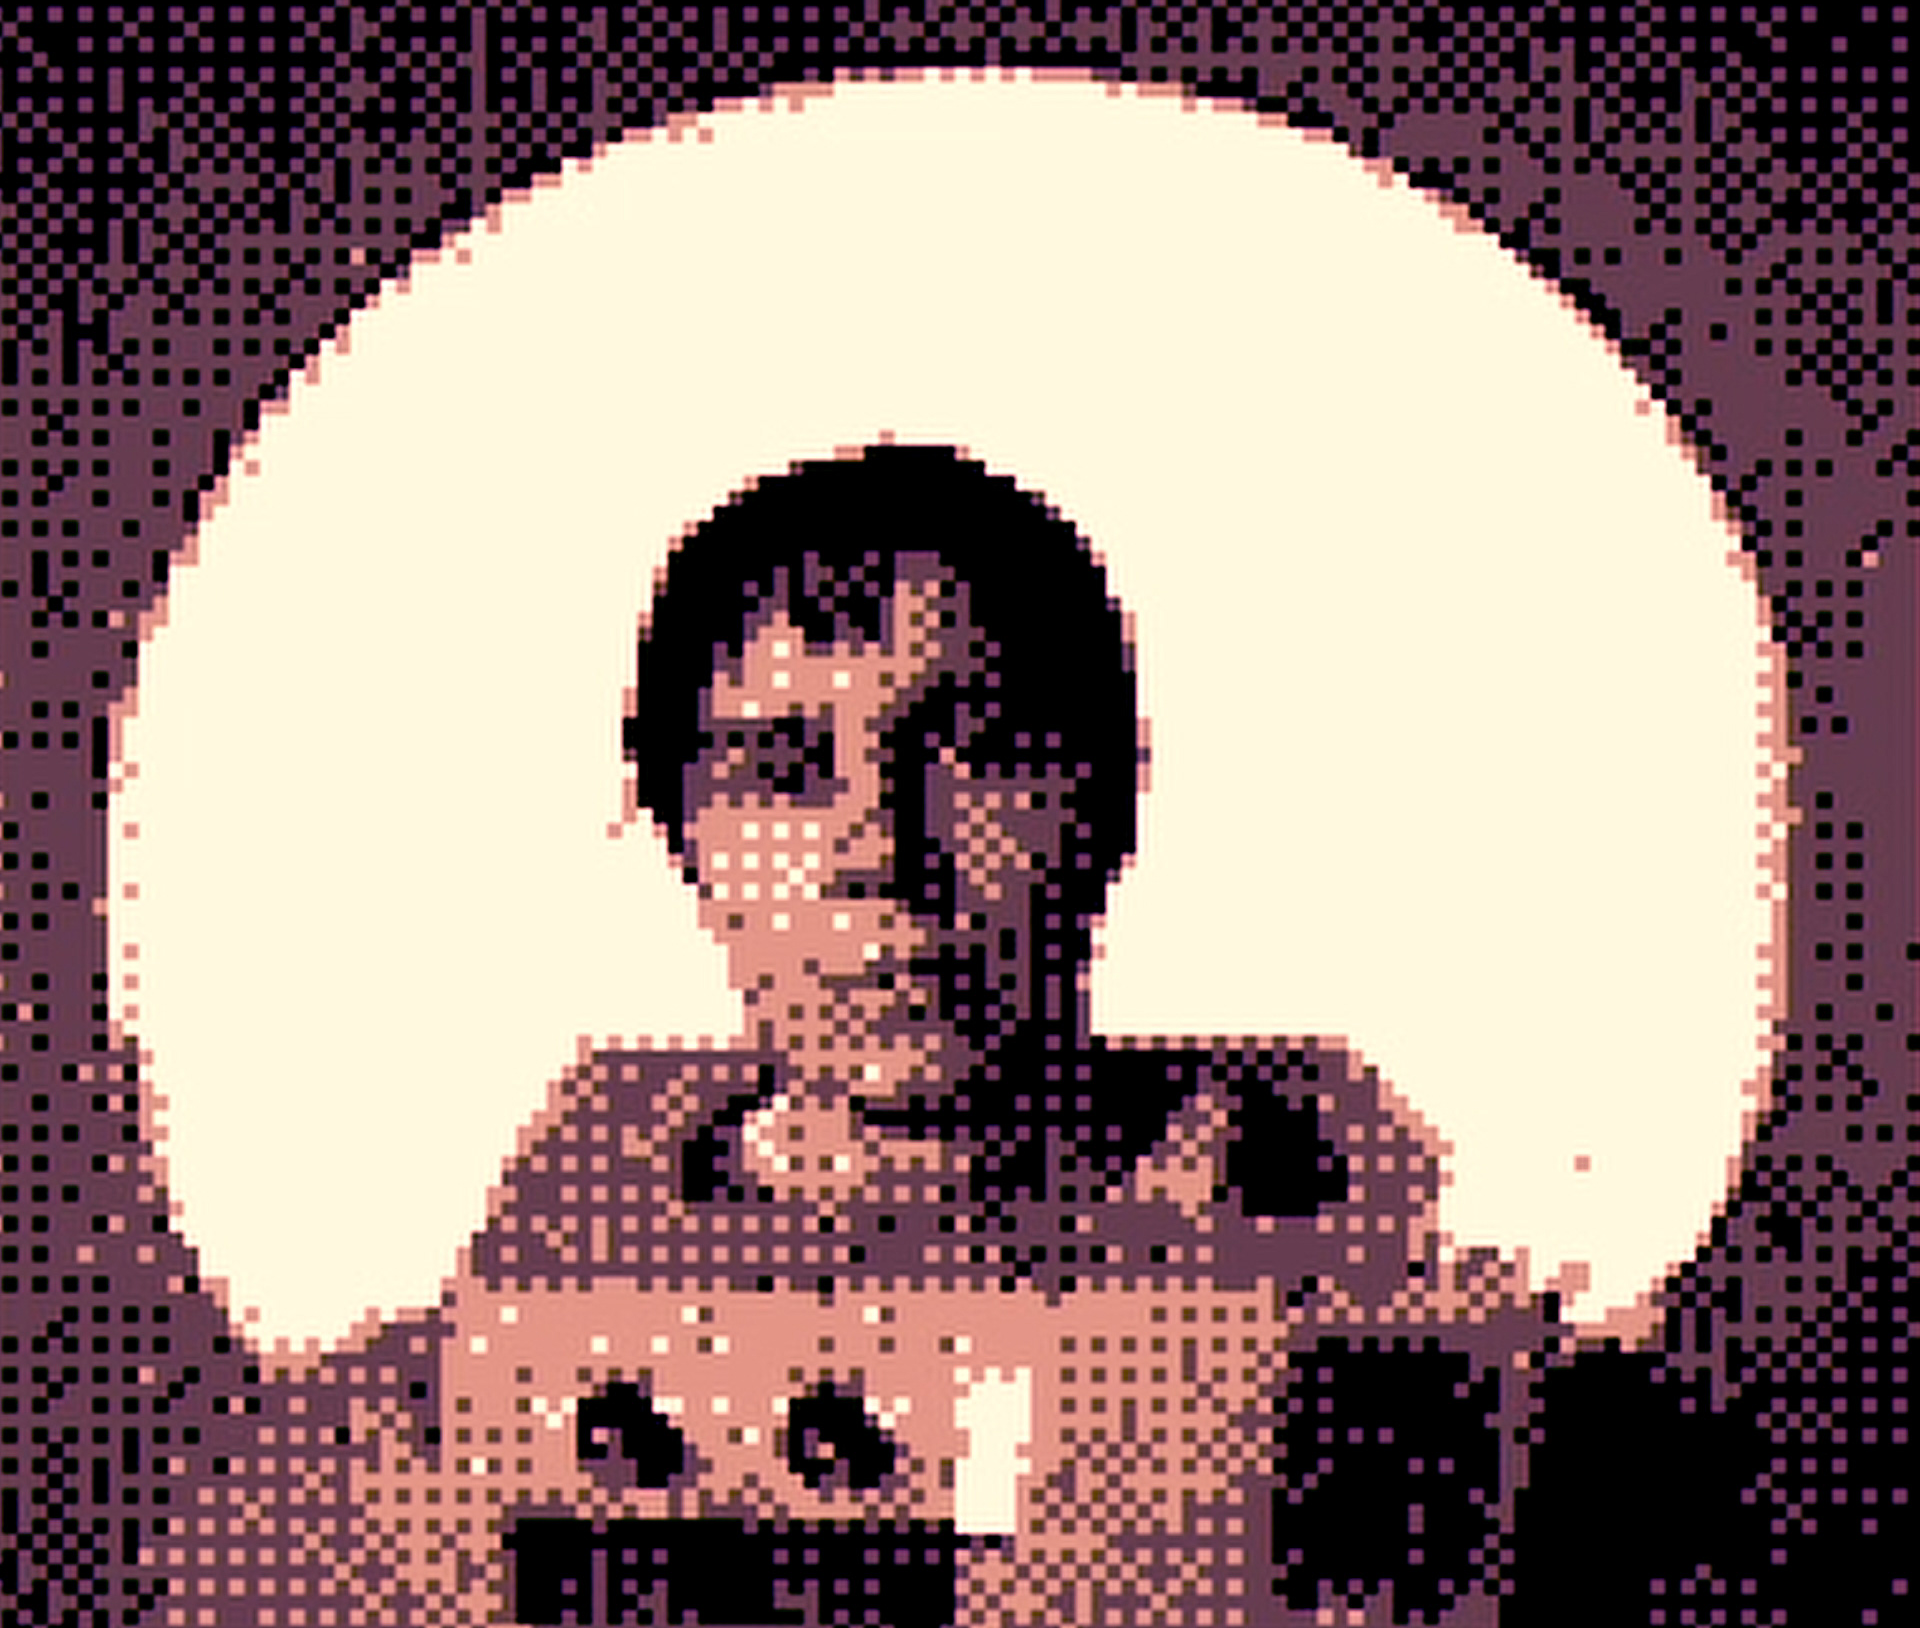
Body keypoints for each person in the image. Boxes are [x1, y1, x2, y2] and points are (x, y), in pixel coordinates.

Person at [188, 444, 1552, 1626]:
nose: (878, 853)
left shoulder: (1377, 1283)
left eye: (975, 753)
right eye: (782, 773)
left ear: (1110, 802)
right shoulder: (469, 1352)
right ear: (678, 836)